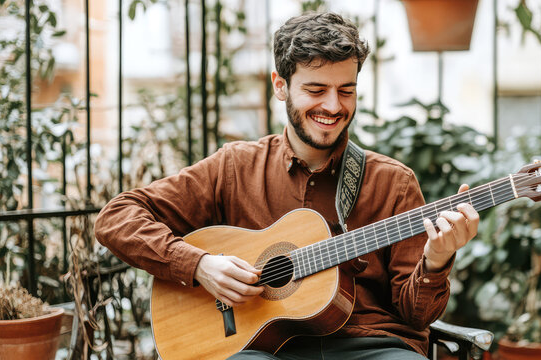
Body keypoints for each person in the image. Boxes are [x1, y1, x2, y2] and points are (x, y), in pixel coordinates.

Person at [94, 12, 479, 360]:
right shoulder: (235, 167)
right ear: (280, 85)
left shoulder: (393, 182)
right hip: (260, 348)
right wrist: (199, 265)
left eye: (346, 90)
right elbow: (116, 217)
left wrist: (437, 260)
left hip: (372, 345)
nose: (333, 106)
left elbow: (417, 315)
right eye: (316, 90)